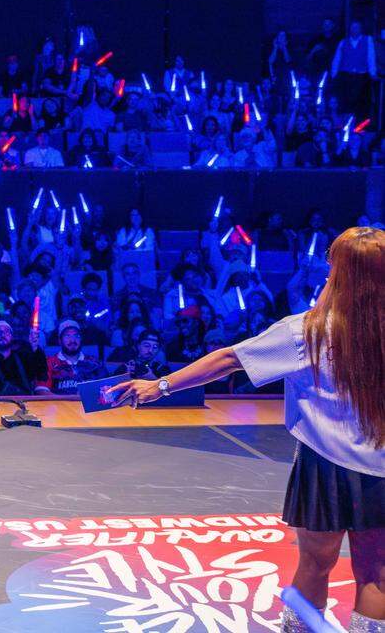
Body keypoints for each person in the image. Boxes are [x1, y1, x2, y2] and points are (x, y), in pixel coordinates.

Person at [110, 227, 385, 633]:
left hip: (324, 467)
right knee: (377, 573)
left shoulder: (307, 331)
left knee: (314, 564)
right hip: (380, 470)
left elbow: (228, 360)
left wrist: (160, 386)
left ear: (340, 273)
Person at [45, 320, 104, 394]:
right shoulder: (49, 363)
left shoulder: (95, 363)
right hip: (59, 402)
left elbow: (107, 389)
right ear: (60, 340)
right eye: (67, 336)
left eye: (76, 336)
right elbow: (42, 391)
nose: (72, 340)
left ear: (81, 339)